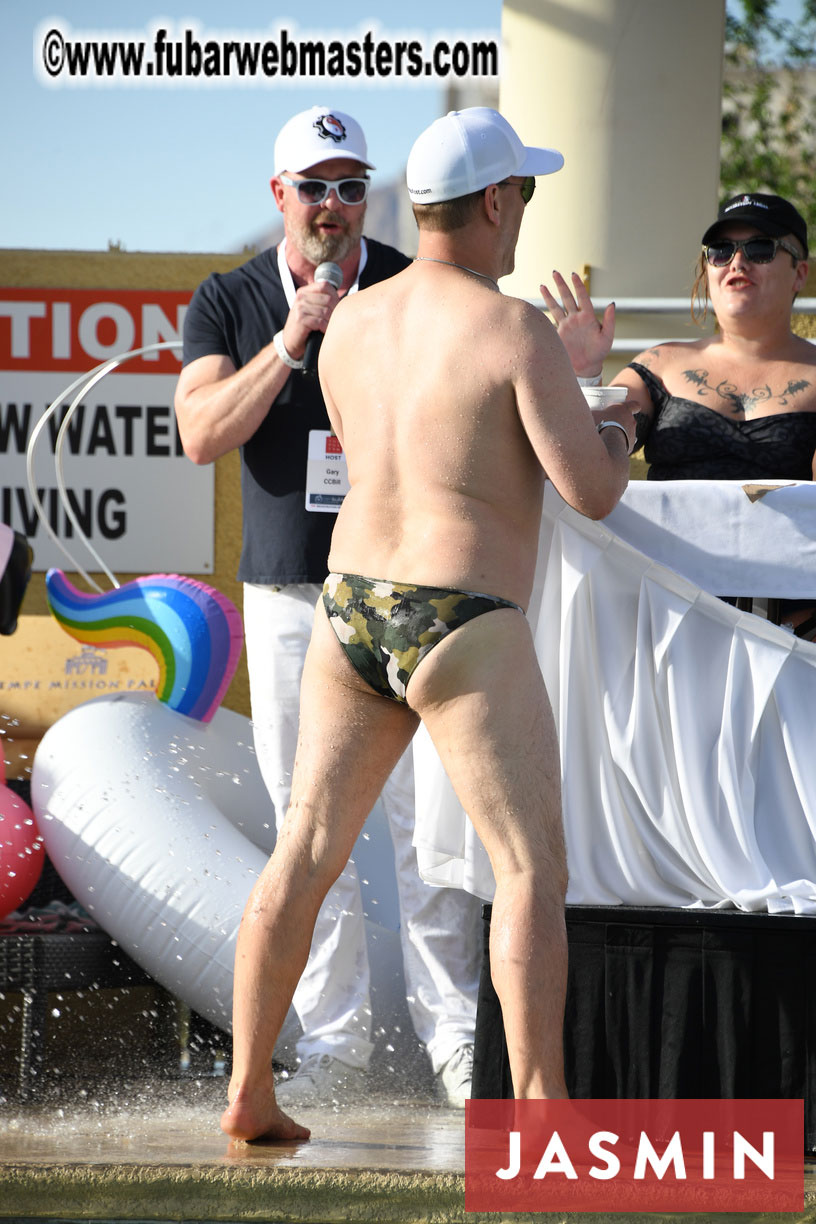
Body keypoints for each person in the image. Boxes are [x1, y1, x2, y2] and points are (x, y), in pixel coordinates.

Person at [219, 105, 635, 1143]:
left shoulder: (352, 319)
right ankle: (540, 1110)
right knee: (529, 865)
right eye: (524, 196)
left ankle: (248, 1092)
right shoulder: (511, 327)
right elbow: (586, 489)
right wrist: (619, 412)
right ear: (496, 203)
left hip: (350, 604)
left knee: (303, 850)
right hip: (462, 617)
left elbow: (380, 449)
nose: (525, 214)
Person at [174, 105, 482, 1110]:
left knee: (430, 824)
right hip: (290, 598)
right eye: (315, 186)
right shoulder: (226, 298)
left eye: (353, 186)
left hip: (407, 590)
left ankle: (458, 1045)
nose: (337, 207)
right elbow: (201, 434)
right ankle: (336, 1041)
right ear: (279, 196)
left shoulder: (407, 281)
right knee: (310, 830)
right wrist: (294, 338)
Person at [540, 191, 816, 633]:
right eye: (721, 251)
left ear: (799, 272)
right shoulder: (661, 366)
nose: (737, 263)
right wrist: (582, 377)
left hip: (794, 628)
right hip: (669, 616)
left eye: (760, 248)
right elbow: (585, 459)